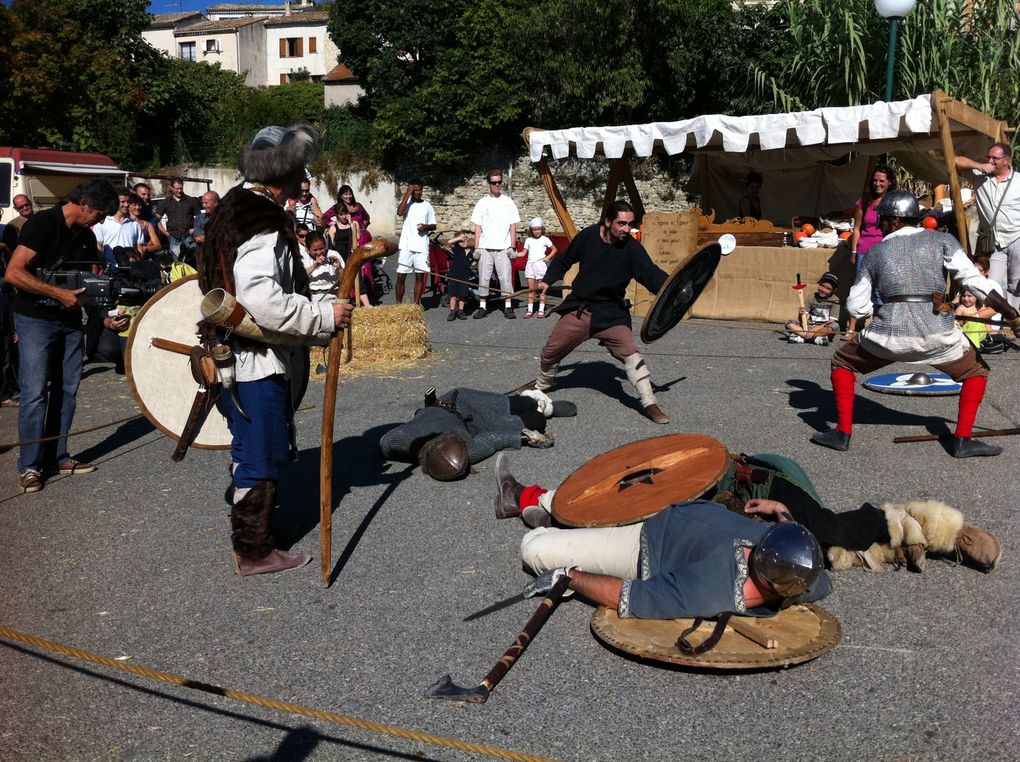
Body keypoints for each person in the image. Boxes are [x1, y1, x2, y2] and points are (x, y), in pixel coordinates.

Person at [493, 450, 1000, 618]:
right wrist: (783, 512)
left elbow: (628, 598)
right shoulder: (810, 574)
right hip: (686, 507)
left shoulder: (713, 588)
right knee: (829, 529)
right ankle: (932, 527)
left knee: (534, 548)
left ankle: (529, 504)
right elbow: (822, 542)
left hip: (641, 544)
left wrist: (571, 576)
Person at [198, 123, 354, 576]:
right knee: (260, 454)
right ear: (283, 173)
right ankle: (253, 551)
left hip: (235, 356)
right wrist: (324, 318)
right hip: (253, 361)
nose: (301, 181)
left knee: (251, 449)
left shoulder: (232, 207)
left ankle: (255, 535)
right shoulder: (263, 223)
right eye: (298, 172)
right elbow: (261, 300)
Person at [810, 189, 1020, 458]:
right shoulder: (942, 240)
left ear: (895, 220)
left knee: (842, 362)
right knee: (976, 372)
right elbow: (974, 281)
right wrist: (1010, 314)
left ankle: (842, 433)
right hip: (938, 336)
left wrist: (874, 314)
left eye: (883, 220)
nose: (881, 225)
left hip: (886, 338)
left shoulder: (874, 252)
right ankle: (963, 440)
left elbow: (856, 308)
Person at [4, 179, 119, 493]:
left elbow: (91, 286)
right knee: (34, 393)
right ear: (84, 204)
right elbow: (13, 272)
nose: (101, 220)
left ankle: (58, 456)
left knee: (67, 390)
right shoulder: (41, 225)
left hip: (69, 322)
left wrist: (107, 319)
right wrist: (57, 293)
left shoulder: (85, 234)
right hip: (35, 319)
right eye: (99, 213)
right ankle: (30, 465)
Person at [531, 200, 670, 424]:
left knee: (631, 353)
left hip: (611, 313)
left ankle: (649, 403)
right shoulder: (588, 237)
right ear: (607, 222)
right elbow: (564, 259)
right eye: (622, 224)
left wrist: (671, 287)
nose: (627, 229)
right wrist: (547, 281)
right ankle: (542, 386)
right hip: (580, 308)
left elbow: (650, 274)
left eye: (630, 224)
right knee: (551, 351)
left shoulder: (632, 249)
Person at [379, 388, 576, 481]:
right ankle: (544, 413)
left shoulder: (404, 438)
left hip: (458, 402)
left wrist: (409, 450)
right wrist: (528, 437)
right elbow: (492, 439)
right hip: (478, 425)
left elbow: (384, 442)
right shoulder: (466, 450)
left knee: (524, 404)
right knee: (535, 421)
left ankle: (542, 403)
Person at [955, 143, 1020, 312]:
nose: (990, 161)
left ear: (1007, 160)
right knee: (991, 285)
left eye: (995, 158)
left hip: (1016, 237)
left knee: (1015, 284)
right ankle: (990, 325)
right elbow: (953, 161)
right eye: (988, 157)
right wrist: (979, 165)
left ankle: (1013, 323)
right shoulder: (981, 176)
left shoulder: (1018, 181)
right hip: (994, 242)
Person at [846, 164, 897, 337]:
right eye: (875, 180)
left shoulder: (893, 202)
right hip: (864, 250)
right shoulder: (864, 202)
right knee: (860, 287)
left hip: (884, 251)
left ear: (889, 182)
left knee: (880, 289)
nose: (877, 184)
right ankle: (852, 327)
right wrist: (854, 252)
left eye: (882, 181)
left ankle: (876, 328)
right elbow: (857, 229)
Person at [471, 170, 521, 319]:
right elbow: (478, 226)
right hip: (486, 246)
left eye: (499, 182)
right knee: (484, 278)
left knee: (505, 277)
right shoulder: (482, 202)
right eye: (494, 183)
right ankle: (482, 307)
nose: (497, 185)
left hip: (503, 246)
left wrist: (512, 247)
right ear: (488, 184)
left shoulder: (508, 202)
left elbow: (513, 225)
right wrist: (477, 247)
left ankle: (508, 307)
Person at [394, 180, 436, 305]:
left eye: (420, 190)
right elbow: (399, 213)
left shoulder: (427, 206)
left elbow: (434, 225)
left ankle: (416, 304)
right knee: (401, 276)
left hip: (421, 245)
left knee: (419, 276)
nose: (418, 192)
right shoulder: (407, 203)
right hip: (406, 245)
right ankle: (398, 305)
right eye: (415, 190)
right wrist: (407, 194)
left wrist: (426, 227)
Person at [93, 187, 145, 266]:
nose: (126, 205)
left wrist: (137, 264)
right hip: (110, 268)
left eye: (128, 202)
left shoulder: (135, 225)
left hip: (130, 269)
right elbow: (98, 247)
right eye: (123, 202)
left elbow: (140, 248)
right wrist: (103, 265)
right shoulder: (102, 223)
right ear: (115, 202)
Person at [785, 272, 840, 345]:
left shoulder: (835, 300)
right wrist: (801, 314)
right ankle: (816, 339)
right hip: (808, 326)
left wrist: (815, 329)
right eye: (822, 286)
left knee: (835, 326)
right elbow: (803, 320)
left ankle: (801, 337)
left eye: (828, 288)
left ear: (834, 290)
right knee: (789, 323)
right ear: (819, 283)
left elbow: (831, 321)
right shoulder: (811, 297)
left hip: (823, 328)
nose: (823, 290)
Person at [154, 177, 201, 258]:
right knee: (176, 261)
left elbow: (200, 218)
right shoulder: (165, 202)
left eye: (181, 188)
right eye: (177, 189)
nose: (179, 191)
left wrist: (194, 229)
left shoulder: (191, 201)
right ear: (172, 188)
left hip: (188, 236)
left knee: (190, 259)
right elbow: (156, 220)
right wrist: (166, 233)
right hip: (172, 236)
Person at [522, 217, 557, 318]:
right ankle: (530, 310)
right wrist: (513, 254)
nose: (537, 231)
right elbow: (523, 253)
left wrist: (548, 257)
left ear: (542, 229)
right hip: (530, 265)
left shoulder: (545, 239)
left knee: (542, 289)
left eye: (539, 229)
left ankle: (541, 310)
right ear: (531, 230)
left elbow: (554, 249)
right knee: (531, 290)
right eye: (534, 229)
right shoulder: (528, 240)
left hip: (540, 265)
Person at [301, 231, 342, 303]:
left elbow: (345, 278)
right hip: (313, 298)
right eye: (315, 250)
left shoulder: (333, 254)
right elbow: (300, 277)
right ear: (308, 250)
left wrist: (339, 267)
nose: (319, 252)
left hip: (333, 296)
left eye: (321, 248)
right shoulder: (304, 258)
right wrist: (314, 266)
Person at [443, 232, 474, 321]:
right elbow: (449, 242)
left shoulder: (471, 252)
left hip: (464, 276)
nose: (463, 241)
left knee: (463, 294)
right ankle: (452, 311)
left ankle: (461, 311)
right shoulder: (457, 248)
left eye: (464, 239)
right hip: (454, 275)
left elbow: (472, 264)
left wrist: (476, 259)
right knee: (453, 294)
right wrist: (459, 238)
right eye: (461, 240)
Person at [127, 194, 162, 258]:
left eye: (139, 205)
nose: (137, 207)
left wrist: (145, 248)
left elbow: (158, 245)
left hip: (146, 258)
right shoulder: (125, 224)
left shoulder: (147, 224)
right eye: (134, 205)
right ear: (128, 206)